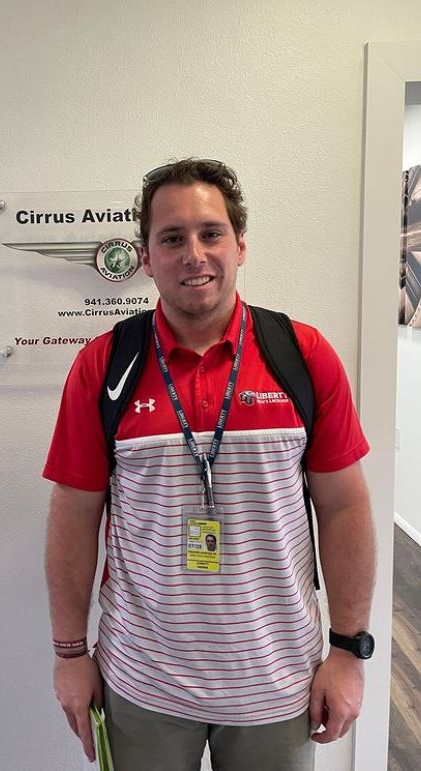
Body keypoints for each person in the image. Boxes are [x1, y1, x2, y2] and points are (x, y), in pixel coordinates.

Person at [43, 159, 375, 771]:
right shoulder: (103, 366)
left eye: (211, 233)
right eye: (171, 238)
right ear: (146, 256)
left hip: (278, 685)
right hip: (140, 683)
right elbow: (74, 513)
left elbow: (344, 505)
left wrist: (350, 651)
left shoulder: (302, 355)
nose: (194, 253)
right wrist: (69, 655)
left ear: (240, 245)